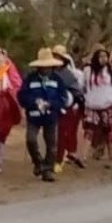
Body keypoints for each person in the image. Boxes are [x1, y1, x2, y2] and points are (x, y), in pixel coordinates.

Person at [18, 48, 70, 182]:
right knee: (30, 140)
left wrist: (51, 104)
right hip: (34, 116)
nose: (46, 69)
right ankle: (38, 163)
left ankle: (47, 170)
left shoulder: (57, 80)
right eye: (43, 67)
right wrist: (34, 102)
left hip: (51, 116)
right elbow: (22, 96)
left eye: (48, 66)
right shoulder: (30, 79)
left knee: (51, 145)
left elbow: (63, 98)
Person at [82, 46, 112, 166]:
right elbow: (82, 86)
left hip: (107, 105)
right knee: (89, 130)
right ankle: (83, 157)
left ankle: (110, 155)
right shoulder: (87, 72)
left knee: (107, 131)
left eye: (105, 56)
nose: (103, 59)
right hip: (92, 105)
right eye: (100, 56)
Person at [51, 45, 86, 172]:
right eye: (54, 56)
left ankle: (58, 160)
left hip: (64, 108)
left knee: (61, 134)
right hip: (48, 107)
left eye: (58, 57)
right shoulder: (46, 72)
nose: (56, 59)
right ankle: (49, 157)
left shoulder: (68, 74)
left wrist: (67, 98)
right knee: (49, 134)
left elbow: (76, 92)